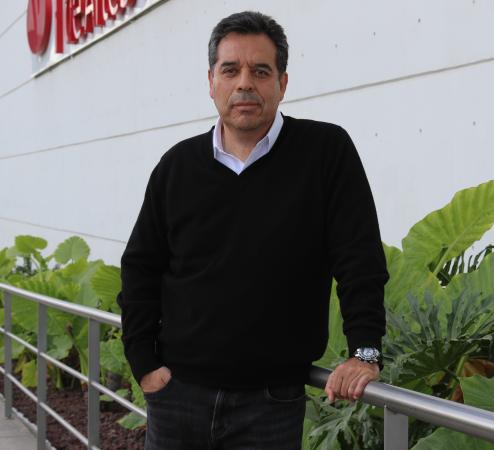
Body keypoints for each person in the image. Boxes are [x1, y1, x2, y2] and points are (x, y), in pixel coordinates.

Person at [116, 10, 388, 450]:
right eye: (230, 70)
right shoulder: (177, 166)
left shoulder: (326, 153)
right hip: (177, 399)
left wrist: (365, 352)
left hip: (271, 406)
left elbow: (360, 260)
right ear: (211, 82)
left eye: (260, 71)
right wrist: (144, 364)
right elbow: (140, 267)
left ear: (282, 83)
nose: (244, 83)